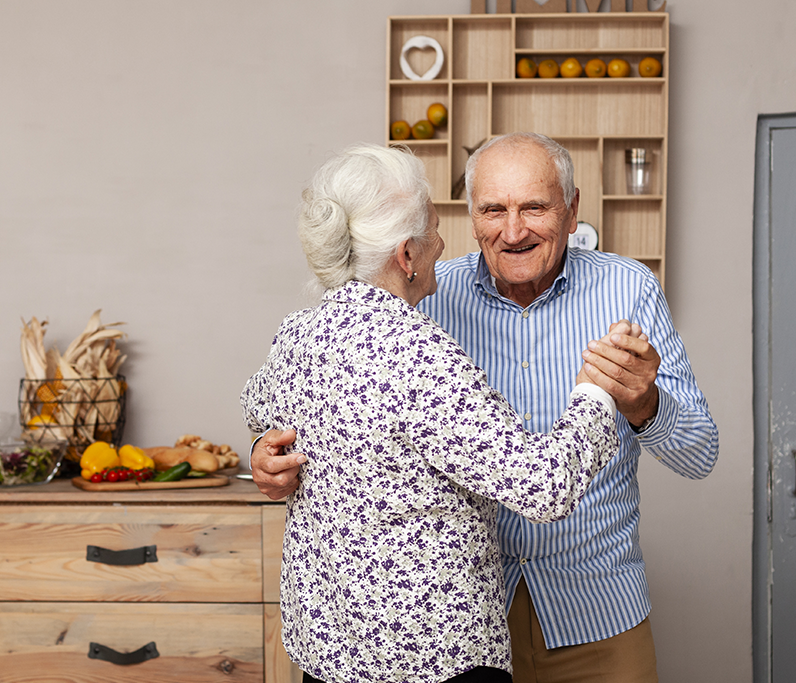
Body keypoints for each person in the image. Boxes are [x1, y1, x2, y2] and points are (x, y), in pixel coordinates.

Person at [252, 132, 719, 683]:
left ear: (572, 211)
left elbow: (700, 453)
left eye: (535, 208)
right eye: (492, 210)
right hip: (460, 631)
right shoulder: (427, 300)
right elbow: (309, 411)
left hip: (595, 615)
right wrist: (269, 452)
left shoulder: (629, 289)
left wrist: (644, 403)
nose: (513, 230)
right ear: (467, 219)